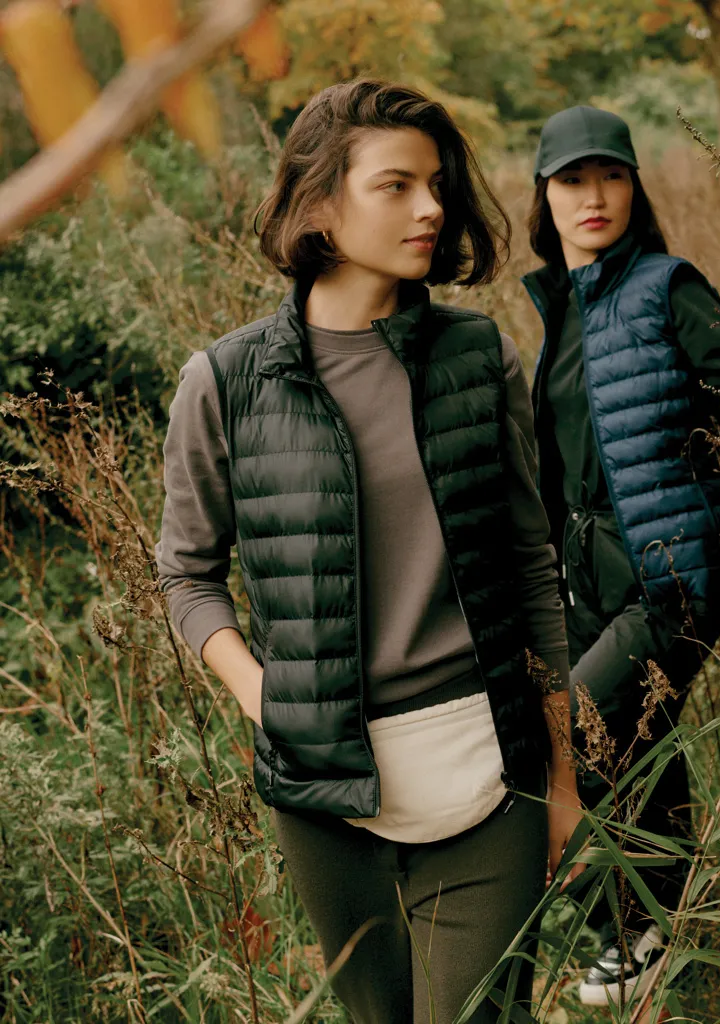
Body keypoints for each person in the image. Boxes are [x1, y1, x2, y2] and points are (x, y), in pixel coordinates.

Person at [156, 80, 584, 1024]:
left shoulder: (478, 356)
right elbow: (186, 572)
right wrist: (261, 694)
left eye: (436, 184)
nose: (430, 207)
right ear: (318, 205)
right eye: (396, 185)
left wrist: (561, 777)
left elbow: (532, 567)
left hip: (487, 768)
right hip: (323, 791)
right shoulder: (225, 379)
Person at [522, 104, 720, 1008]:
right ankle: (657, 926)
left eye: (610, 175)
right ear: (544, 196)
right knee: (632, 737)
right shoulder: (558, 307)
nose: (593, 196)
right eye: (572, 180)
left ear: (633, 188)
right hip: (585, 572)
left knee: (574, 730)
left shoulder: (665, 286)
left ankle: (634, 931)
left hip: (670, 572)